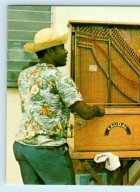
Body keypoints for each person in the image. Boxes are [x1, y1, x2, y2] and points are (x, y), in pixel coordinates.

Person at [13, 28, 105, 184]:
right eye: (61, 47)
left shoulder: (24, 74)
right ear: (50, 51)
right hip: (47, 149)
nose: (66, 52)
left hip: (22, 147)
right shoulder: (59, 78)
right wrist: (98, 110)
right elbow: (85, 113)